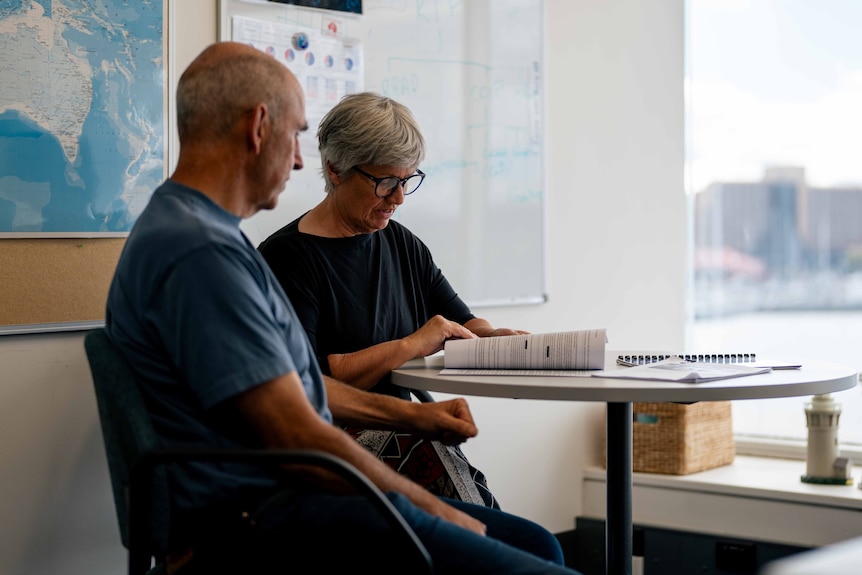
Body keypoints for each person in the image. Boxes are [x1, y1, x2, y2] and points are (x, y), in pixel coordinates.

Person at [104, 41, 581, 574]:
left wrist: (414, 415)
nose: (301, 159)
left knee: (537, 546)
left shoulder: (200, 234)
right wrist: (426, 507)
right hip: (266, 511)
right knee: (528, 559)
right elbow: (297, 432)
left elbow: (302, 386)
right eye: (296, 135)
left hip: (280, 493)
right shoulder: (201, 255)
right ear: (259, 127)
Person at [258, 91, 528, 509]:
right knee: (482, 525)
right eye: (386, 182)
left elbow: (460, 320)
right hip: (330, 451)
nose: (399, 199)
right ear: (335, 170)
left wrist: (495, 336)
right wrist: (409, 345)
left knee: (495, 522)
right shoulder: (287, 259)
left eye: (408, 181)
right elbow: (309, 385)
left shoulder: (400, 244)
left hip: (407, 439)